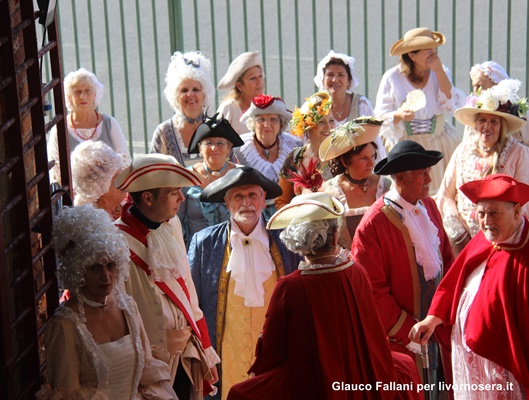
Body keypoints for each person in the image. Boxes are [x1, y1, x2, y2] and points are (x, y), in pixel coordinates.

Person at [228, 192, 423, 400]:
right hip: (363, 376)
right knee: (405, 364)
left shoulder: (289, 286)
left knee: (239, 394)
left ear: (296, 241)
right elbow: (373, 335)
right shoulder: (357, 272)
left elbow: (271, 351)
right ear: (335, 234)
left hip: (312, 384)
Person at [410, 174, 529, 400]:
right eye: (481, 213)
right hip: (472, 368)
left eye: (494, 214)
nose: (486, 221)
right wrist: (433, 318)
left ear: (517, 212)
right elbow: (454, 281)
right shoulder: (485, 238)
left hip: (506, 370)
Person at [37, 205, 177, 399]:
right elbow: (67, 393)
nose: (106, 277)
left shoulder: (127, 306)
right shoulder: (65, 326)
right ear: (78, 271)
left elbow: (146, 370)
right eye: (95, 268)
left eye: (110, 265)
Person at [187, 167, 302, 399]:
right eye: (238, 196)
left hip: (276, 353)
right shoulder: (204, 243)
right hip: (224, 356)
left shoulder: (286, 240)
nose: (246, 203)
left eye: (252, 195)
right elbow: (192, 304)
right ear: (227, 203)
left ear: (263, 200)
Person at [352, 140, 455, 396]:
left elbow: (448, 259)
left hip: (437, 330)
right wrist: (410, 330)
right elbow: (372, 292)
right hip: (402, 341)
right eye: (423, 173)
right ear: (400, 177)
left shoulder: (429, 206)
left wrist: (440, 316)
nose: (430, 179)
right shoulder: (373, 225)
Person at [114, 154, 220, 400]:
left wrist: (204, 345)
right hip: (148, 368)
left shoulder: (169, 225)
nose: (182, 198)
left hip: (184, 355)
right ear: (148, 198)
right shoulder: (117, 243)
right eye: (174, 193)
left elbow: (187, 289)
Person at [436, 79, 529, 256]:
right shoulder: (463, 150)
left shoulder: (519, 153)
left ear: (503, 126)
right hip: (463, 243)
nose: (486, 127)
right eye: (482, 120)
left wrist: (498, 233)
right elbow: (445, 195)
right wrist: (458, 233)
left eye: (494, 121)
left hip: (504, 242)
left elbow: (524, 203)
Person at [374, 27, 464, 194]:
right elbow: (379, 116)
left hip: (438, 142)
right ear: (412, 55)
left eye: (434, 50)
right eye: (427, 51)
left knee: (442, 194)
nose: (433, 55)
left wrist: (439, 71)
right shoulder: (392, 77)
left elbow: (450, 103)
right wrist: (399, 115)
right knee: (409, 194)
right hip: (406, 145)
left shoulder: (441, 72)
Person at [466, 61, 529, 205]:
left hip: (516, 181)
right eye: (474, 86)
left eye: (480, 86)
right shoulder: (475, 114)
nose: (476, 91)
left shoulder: (521, 114)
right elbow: (467, 151)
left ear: (496, 85)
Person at [47, 68, 129, 184]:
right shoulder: (60, 130)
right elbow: (55, 170)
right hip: (74, 197)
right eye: (77, 92)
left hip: (110, 194)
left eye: (88, 91)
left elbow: (125, 161)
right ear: (69, 97)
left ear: (95, 94)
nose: (83, 96)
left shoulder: (110, 124)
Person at [319, 117, 391, 244]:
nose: (371, 163)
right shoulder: (331, 191)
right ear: (345, 161)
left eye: (373, 156)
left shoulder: (385, 186)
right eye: (363, 158)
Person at [178, 114, 244, 246]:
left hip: (235, 249)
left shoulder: (241, 175)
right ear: (200, 149)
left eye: (220, 143)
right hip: (197, 250)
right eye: (208, 143)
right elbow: (177, 220)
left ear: (229, 149)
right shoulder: (186, 177)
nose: (214, 148)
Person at [233, 95, 302, 218]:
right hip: (250, 212)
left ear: (281, 123)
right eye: (261, 119)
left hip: (288, 211)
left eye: (273, 119)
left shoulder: (294, 146)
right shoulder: (239, 148)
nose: (267, 124)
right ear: (253, 123)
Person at [314, 50, 387, 161]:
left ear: (349, 81)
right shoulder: (315, 106)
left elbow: (374, 140)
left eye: (341, 75)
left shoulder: (361, 104)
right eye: (330, 74)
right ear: (322, 80)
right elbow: (307, 142)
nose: (335, 80)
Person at [150, 51, 215, 167]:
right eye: (184, 90)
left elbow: (231, 171)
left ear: (204, 94)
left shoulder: (218, 129)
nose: (190, 95)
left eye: (196, 90)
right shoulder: (164, 132)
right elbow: (152, 175)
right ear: (175, 96)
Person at [275, 91, 336, 209]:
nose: (328, 127)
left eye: (331, 121)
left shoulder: (343, 155)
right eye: (321, 122)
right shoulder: (295, 158)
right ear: (309, 127)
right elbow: (281, 200)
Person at [71, 140, 127, 219]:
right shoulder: (89, 221)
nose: (124, 182)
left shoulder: (125, 203)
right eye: (117, 180)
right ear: (100, 192)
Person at [216, 51, 265, 134]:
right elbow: (217, 139)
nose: (259, 82)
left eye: (260, 76)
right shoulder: (229, 109)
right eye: (252, 78)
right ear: (239, 86)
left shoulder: (269, 106)